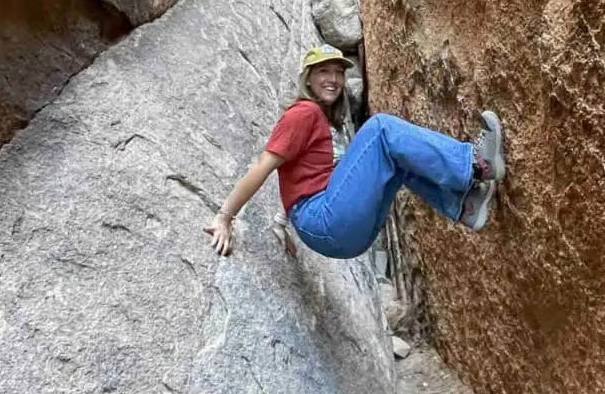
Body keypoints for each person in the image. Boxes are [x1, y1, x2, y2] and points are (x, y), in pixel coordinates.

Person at [204, 45, 505, 258]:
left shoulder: (320, 120)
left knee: (396, 161)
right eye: (323, 71)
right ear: (308, 77)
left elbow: (299, 179)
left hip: (337, 231)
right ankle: (476, 165)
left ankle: (463, 205)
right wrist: (224, 216)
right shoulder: (303, 113)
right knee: (381, 129)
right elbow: (264, 165)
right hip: (325, 221)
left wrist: (281, 223)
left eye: (338, 72)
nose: (333, 79)